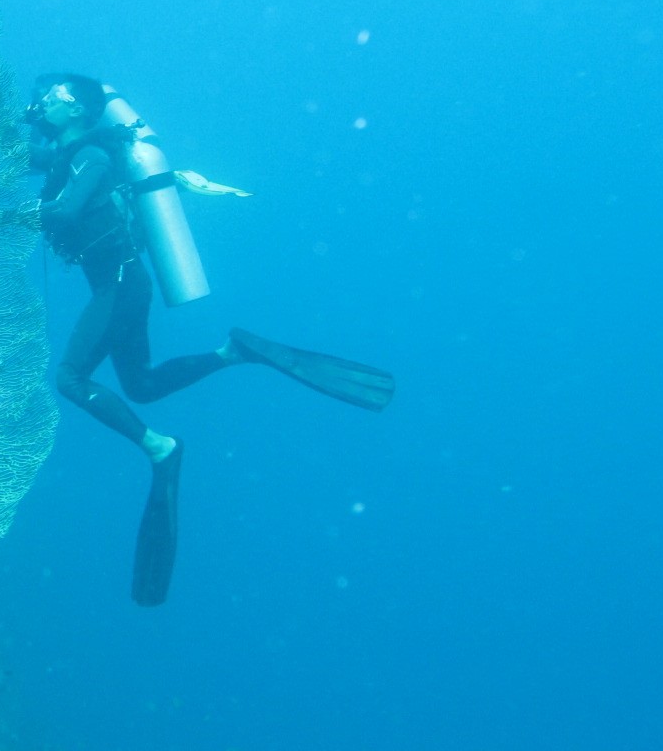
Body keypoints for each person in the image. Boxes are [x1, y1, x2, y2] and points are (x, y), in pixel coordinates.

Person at [24, 73, 394, 604]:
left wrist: (1, 217)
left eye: (58, 95)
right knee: (143, 384)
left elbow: (64, 211)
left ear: (81, 110)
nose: (46, 100)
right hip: (127, 283)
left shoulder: (94, 158)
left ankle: (160, 447)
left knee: (69, 377)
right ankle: (234, 353)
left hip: (120, 286)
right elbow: (28, 158)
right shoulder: (67, 154)